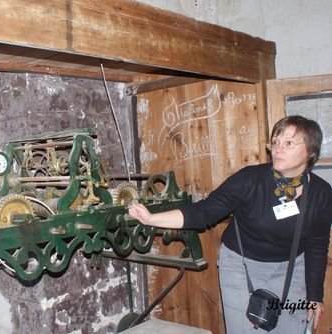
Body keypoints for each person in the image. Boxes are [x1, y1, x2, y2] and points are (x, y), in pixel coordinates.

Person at [128, 115, 331, 333]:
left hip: (291, 268)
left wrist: (314, 297)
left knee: (291, 328)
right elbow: (204, 212)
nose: (278, 149)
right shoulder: (250, 180)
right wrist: (150, 219)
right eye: (275, 142)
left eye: (288, 143)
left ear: (311, 152)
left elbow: (317, 246)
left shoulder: (321, 193)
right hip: (242, 265)